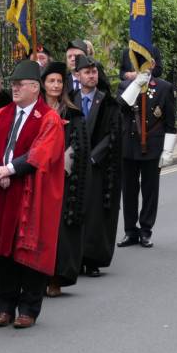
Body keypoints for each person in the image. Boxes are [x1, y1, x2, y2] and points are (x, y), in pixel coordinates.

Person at [0, 60, 65, 329]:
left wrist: (9, 170)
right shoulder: (0, 115)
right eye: (12, 84)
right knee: (3, 253)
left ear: (35, 88)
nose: (13, 88)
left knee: (29, 252)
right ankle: (5, 306)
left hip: (31, 195)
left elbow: (42, 153)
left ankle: (29, 308)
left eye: (19, 84)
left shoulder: (49, 119)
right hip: (1, 192)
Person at [117, 53, 177, 248]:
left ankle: (146, 230)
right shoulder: (125, 87)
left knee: (150, 190)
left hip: (153, 145)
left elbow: (170, 123)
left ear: (152, 64)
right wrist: (135, 85)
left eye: (146, 62)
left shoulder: (164, 87)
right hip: (129, 145)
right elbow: (121, 107)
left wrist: (168, 151)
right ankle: (130, 231)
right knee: (129, 190)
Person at [40, 62, 90, 297]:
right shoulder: (35, 112)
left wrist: (60, 164)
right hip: (38, 177)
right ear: (43, 84)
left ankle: (56, 278)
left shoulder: (72, 113)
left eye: (59, 81)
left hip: (63, 179)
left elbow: (79, 145)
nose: (56, 85)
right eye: (51, 81)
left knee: (59, 231)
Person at [72, 55, 123, 277]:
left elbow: (112, 134)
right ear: (77, 75)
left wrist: (93, 157)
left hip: (96, 166)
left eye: (93, 72)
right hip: (73, 165)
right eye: (86, 72)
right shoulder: (69, 100)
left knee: (93, 214)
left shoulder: (107, 102)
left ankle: (92, 259)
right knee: (74, 211)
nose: (91, 76)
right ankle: (75, 257)